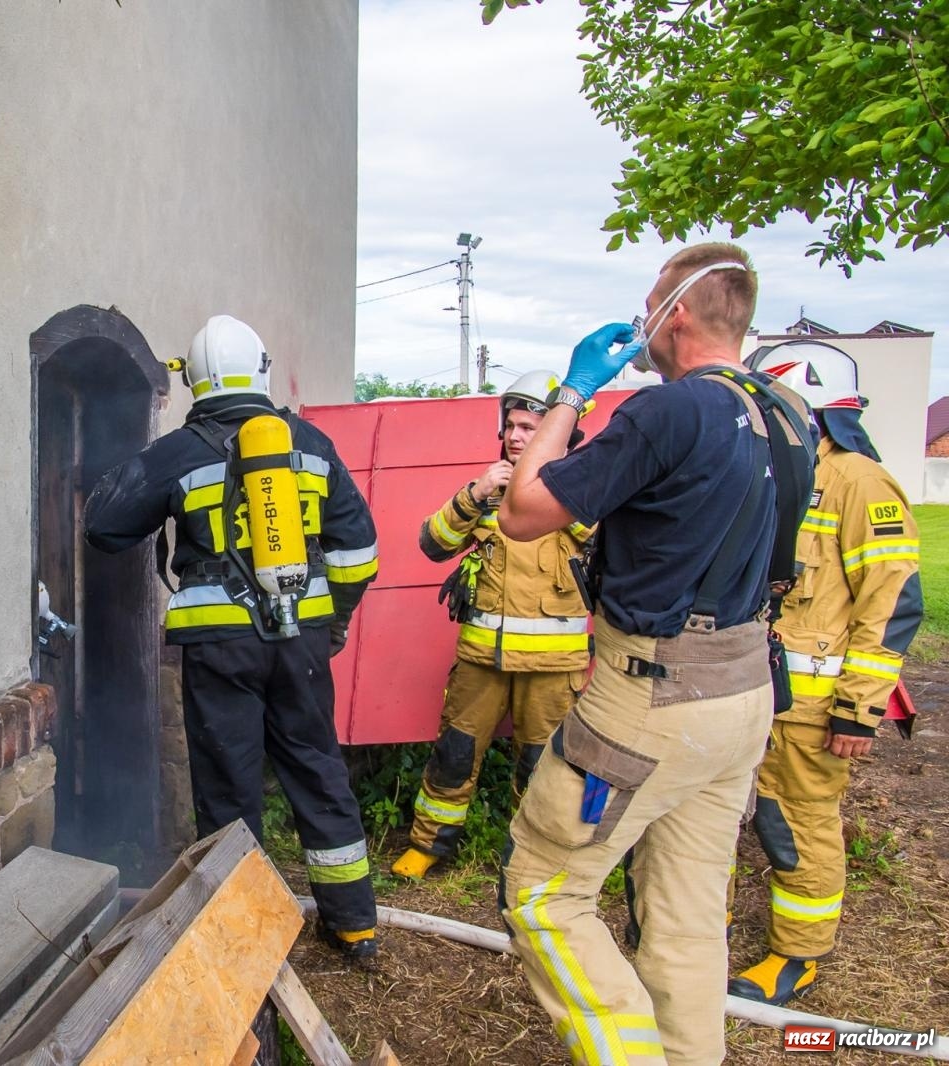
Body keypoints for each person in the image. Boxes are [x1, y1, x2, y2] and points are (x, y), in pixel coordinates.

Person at [493, 243, 815, 1066]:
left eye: (648, 308)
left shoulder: (669, 412)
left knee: (543, 892)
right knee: (686, 918)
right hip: (743, 695)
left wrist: (572, 392)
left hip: (652, 697)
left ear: (675, 317)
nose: (640, 325)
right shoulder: (786, 415)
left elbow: (524, 511)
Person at [83, 314, 382, 959]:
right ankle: (353, 924)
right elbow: (359, 553)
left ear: (193, 380)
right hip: (302, 639)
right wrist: (331, 620)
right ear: (261, 371)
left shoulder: (180, 452)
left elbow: (104, 526)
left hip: (219, 645)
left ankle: (243, 934)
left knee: (228, 784)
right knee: (317, 767)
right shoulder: (311, 445)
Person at [727, 343, 922, 1006]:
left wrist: (858, 710)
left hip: (810, 709)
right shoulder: (775, 472)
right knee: (724, 816)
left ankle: (798, 955)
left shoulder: (859, 482)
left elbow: (894, 603)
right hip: (743, 691)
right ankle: (706, 930)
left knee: (794, 826)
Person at [391, 370, 593, 881]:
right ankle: (428, 845)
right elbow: (433, 544)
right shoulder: (487, 494)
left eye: (529, 428)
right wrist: (477, 493)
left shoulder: (583, 488)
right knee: (454, 754)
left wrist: (554, 489)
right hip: (482, 661)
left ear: (558, 434)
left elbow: (608, 547)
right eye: (511, 426)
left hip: (553, 669)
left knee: (545, 769)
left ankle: (535, 865)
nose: (514, 436)